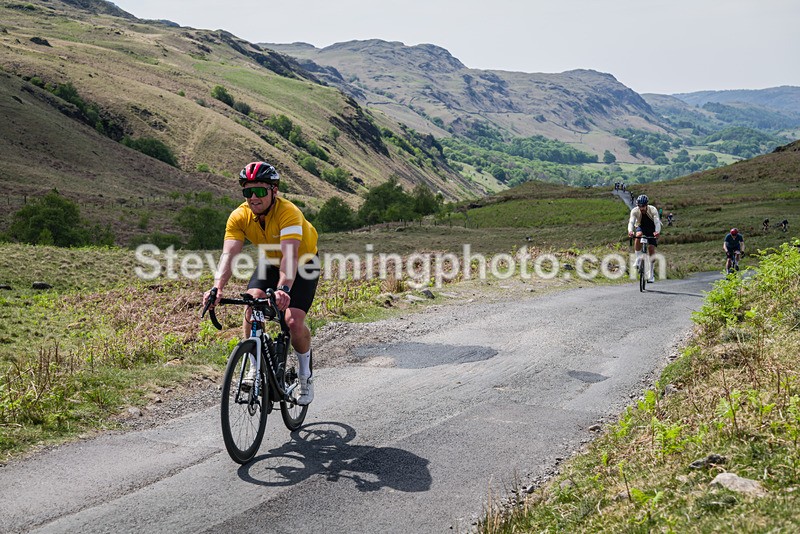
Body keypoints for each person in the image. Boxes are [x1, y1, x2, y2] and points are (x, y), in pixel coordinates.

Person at [203, 161, 320, 405]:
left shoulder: (289, 213)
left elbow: (291, 257)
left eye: (259, 191)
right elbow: (228, 255)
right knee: (251, 302)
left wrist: (283, 289)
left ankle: (305, 374)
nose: (253, 198)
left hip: (304, 262)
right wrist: (217, 288)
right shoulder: (239, 216)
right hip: (271, 261)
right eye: (248, 192)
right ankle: (255, 367)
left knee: (292, 320)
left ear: (274, 191)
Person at [627, 194, 661, 283]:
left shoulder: (653, 209)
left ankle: (651, 273)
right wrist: (630, 231)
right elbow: (631, 222)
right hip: (641, 226)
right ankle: (638, 258)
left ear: (646, 205)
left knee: (651, 248)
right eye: (639, 206)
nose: (641, 208)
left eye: (643, 206)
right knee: (638, 235)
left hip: (652, 228)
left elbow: (657, 222)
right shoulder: (635, 211)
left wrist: (657, 232)